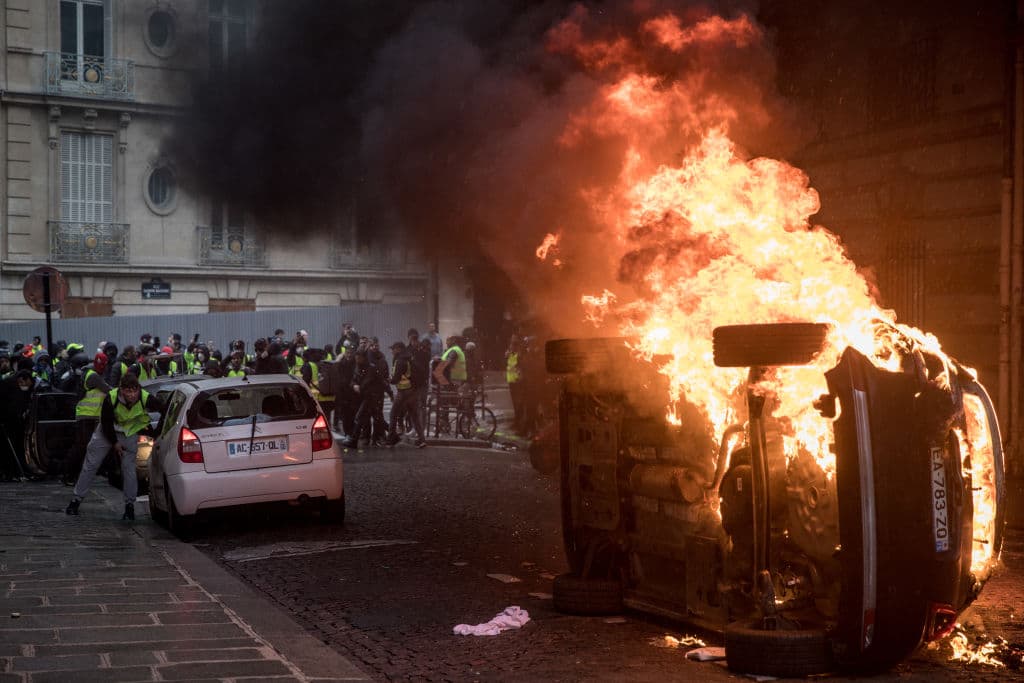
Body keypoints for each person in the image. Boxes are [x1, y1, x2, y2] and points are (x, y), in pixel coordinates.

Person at [66, 373, 162, 520]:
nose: (132, 395)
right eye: (128, 391)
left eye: (135, 390)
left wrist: (157, 431)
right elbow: (106, 423)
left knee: (129, 469)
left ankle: (129, 506)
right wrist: (114, 443)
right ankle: (76, 500)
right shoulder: (110, 398)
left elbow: (164, 409)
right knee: (91, 465)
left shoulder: (146, 397)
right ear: (121, 390)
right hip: (107, 432)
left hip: (129, 433)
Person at [63, 353, 111, 486]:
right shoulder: (93, 376)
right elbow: (109, 390)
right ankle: (69, 476)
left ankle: (78, 475)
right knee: (81, 447)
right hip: (86, 416)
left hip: (91, 417)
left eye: (104, 365)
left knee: (88, 448)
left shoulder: (93, 374)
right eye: (101, 365)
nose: (103, 368)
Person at [386, 342, 427, 448]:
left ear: (399, 349)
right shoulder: (410, 358)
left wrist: (390, 380)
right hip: (413, 391)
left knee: (393, 414)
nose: (392, 351)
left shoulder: (400, 360)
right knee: (414, 415)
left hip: (403, 391)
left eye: (393, 349)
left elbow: (396, 379)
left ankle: (390, 440)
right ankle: (422, 440)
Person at [342, 349, 385, 449]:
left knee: (360, 417)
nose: (357, 360)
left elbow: (368, 381)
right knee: (376, 417)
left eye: (359, 358)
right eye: (356, 358)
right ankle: (391, 435)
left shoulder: (371, 368)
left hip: (372, 396)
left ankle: (354, 440)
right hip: (365, 396)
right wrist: (354, 385)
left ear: (364, 358)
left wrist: (358, 387)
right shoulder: (358, 367)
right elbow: (353, 380)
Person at [0, 370, 33, 481]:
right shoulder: (8, 385)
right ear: (21, 379)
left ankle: (16, 472)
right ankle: (9, 473)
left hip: (16, 423)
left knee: (16, 448)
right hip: (7, 422)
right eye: (27, 382)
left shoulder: (20, 388)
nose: (28, 386)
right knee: (8, 449)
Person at [506, 335, 525, 433]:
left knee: (519, 404)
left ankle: (519, 424)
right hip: (512, 381)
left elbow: (520, 368)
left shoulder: (519, 355)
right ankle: (517, 422)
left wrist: (519, 377)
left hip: (517, 382)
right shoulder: (511, 354)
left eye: (512, 345)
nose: (510, 347)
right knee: (515, 404)